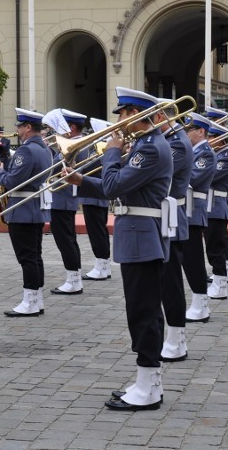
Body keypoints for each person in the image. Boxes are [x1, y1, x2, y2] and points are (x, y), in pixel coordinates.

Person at [65, 86, 172, 412]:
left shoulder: (150, 148)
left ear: (140, 115)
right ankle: (147, 381)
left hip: (142, 236)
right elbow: (121, 185)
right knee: (143, 310)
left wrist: (111, 151)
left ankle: (148, 386)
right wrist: (83, 182)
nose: (120, 121)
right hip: (137, 235)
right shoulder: (143, 145)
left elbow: (114, 185)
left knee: (143, 312)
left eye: (124, 114)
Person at [0, 108, 52, 317]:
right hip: (35, 208)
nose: (18, 131)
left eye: (20, 127)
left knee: (27, 258)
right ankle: (36, 299)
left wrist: (0, 172)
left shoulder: (26, 150)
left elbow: (12, 181)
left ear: (28, 127)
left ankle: (30, 301)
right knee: (35, 256)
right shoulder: (45, 148)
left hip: (22, 208)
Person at [156, 107, 193, 362]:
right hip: (165, 217)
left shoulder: (177, 143)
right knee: (165, 282)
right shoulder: (172, 139)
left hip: (171, 218)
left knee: (171, 284)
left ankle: (177, 339)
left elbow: (159, 176)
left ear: (162, 117)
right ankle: (173, 337)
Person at [47, 109, 87, 295]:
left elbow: (59, 169)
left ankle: (73, 280)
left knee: (65, 241)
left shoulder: (73, 145)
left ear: (71, 127)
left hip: (62, 199)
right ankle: (74, 277)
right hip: (63, 199)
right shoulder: (71, 144)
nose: (53, 133)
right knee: (68, 240)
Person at [182, 112, 217, 323]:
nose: (185, 134)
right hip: (184, 210)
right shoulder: (192, 152)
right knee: (186, 259)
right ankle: (197, 301)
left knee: (193, 259)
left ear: (201, 131)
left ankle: (201, 304)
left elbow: (192, 179)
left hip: (193, 210)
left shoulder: (206, 153)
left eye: (189, 130)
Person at [205, 120, 228, 300]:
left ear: (221, 140)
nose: (209, 140)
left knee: (215, 248)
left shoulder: (225, 159)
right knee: (212, 247)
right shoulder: (217, 155)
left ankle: (220, 284)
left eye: (212, 137)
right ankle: (218, 281)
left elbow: (207, 177)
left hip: (216, 207)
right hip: (211, 207)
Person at [81, 118, 113, 281]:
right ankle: (103, 265)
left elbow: (90, 168)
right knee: (99, 231)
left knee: (96, 232)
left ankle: (101, 265)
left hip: (93, 195)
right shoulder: (102, 147)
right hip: (94, 195)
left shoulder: (99, 148)